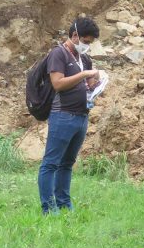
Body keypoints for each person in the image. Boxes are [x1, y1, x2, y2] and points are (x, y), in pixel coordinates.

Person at [38, 17, 101, 214]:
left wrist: (94, 83)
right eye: (86, 41)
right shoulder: (59, 54)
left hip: (82, 116)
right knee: (51, 163)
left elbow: (85, 85)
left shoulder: (85, 59)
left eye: (90, 43)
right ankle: (49, 208)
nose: (87, 46)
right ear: (75, 36)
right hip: (62, 115)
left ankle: (64, 204)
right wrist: (83, 75)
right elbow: (58, 83)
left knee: (67, 163)